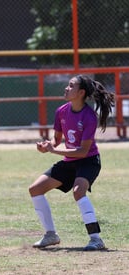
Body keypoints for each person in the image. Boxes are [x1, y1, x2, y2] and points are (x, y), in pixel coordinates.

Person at [29, 74, 114, 251]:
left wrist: (54, 150)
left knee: (78, 191)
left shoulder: (89, 117)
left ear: (81, 92)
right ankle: (51, 235)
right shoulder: (61, 111)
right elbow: (56, 141)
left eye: (71, 86)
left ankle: (96, 239)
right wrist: (47, 146)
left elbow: (82, 151)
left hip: (88, 161)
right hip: (70, 160)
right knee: (35, 189)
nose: (66, 88)